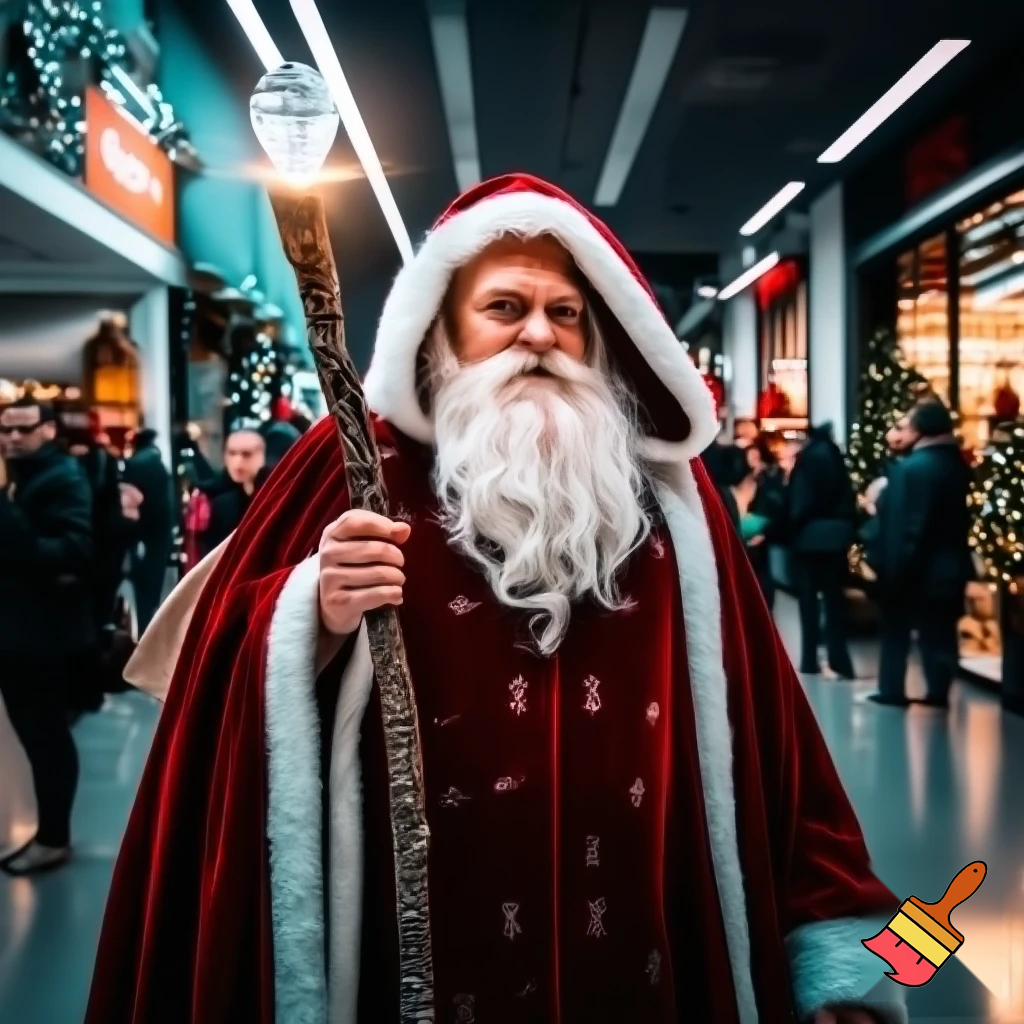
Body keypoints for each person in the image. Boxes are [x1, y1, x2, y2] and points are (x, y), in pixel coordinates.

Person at [86, 175, 898, 1024]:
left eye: (565, 312)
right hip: (409, 956)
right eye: (504, 308)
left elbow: (768, 725)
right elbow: (213, 672)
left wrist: (840, 951)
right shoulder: (352, 461)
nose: (540, 334)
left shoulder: (673, 494)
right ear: (443, 329)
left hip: (643, 944)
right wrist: (308, 612)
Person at [0, 395, 93, 874]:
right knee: (41, 738)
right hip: (26, 632)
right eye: (6, 429)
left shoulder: (59, 478)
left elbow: (72, 550)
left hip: (40, 637)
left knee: (46, 739)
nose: (13, 436)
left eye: (23, 428)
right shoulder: (32, 477)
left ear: (48, 430)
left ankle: (53, 838)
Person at [866, 401, 973, 708]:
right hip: (949, 567)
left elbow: (908, 528)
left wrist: (893, 570)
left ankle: (891, 690)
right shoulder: (956, 464)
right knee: (940, 633)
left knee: (896, 629)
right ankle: (938, 692)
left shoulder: (912, 469)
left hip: (916, 570)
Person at [785, 423, 858, 678]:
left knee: (808, 603)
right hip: (835, 540)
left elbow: (800, 502)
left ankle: (809, 659)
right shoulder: (835, 457)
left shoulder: (808, 460)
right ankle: (840, 660)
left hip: (808, 540)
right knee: (834, 601)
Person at [123, 429, 174, 632]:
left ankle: (145, 629)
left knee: (142, 588)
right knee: (153, 585)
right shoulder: (157, 464)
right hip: (159, 534)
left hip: (143, 534)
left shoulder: (136, 465)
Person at [198, 425, 269, 557]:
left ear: (261, 456)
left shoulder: (272, 497)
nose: (238, 461)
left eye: (246, 454)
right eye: (232, 453)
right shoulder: (217, 500)